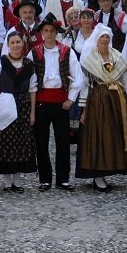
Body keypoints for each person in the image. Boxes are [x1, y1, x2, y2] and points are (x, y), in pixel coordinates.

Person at [75, 25, 127, 192]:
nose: (104, 39)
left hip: (116, 100)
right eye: (102, 37)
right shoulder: (89, 59)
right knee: (98, 136)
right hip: (97, 101)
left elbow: (124, 81)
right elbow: (85, 85)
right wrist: (84, 110)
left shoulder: (117, 56)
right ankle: (98, 176)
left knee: (113, 136)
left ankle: (110, 167)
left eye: (107, 37)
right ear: (96, 39)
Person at [31, 14, 84, 191]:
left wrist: (71, 99)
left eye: (52, 31)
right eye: (46, 31)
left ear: (56, 33)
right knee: (41, 142)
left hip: (61, 103)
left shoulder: (66, 51)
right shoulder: (34, 52)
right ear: (41, 33)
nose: (49, 34)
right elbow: (30, 78)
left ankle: (63, 179)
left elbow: (78, 77)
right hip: (41, 103)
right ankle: (44, 179)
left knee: (63, 142)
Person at [0, 30, 38, 192]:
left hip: (23, 106)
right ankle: (7, 181)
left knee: (20, 142)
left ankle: (17, 180)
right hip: (4, 105)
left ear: (23, 44)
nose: (16, 45)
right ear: (8, 45)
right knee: (5, 142)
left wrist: (32, 112)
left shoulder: (29, 64)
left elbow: (32, 89)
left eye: (18, 42)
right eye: (12, 43)